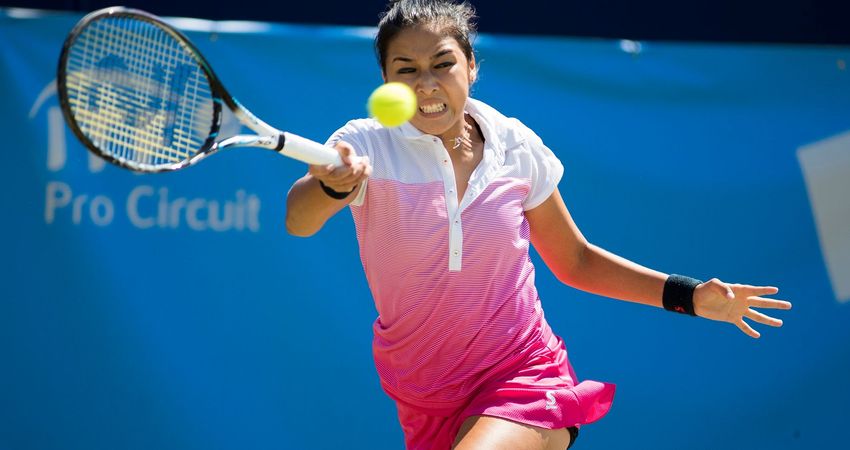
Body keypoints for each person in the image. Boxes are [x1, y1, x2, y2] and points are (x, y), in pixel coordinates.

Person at [285, 1, 792, 448]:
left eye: (443, 64)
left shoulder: (515, 146)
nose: (426, 84)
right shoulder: (366, 144)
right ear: (386, 82)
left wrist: (687, 295)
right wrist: (333, 185)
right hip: (421, 389)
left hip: (523, 372)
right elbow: (298, 220)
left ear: (471, 68)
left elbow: (574, 260)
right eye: (407, 69)